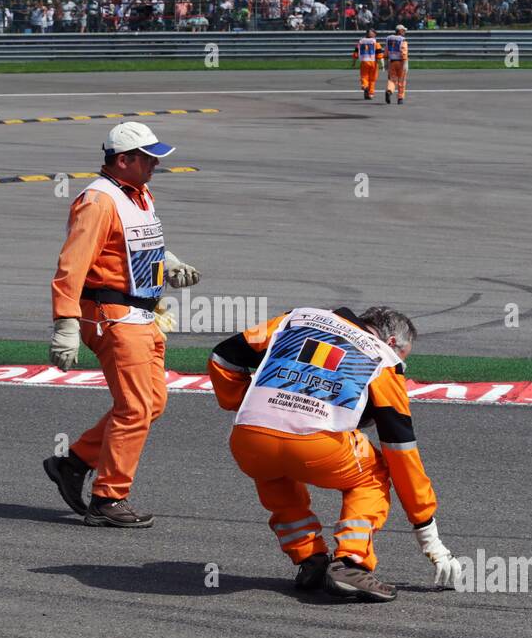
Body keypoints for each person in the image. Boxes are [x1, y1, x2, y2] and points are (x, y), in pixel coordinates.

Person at [208, 305, 463, 602]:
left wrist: (242, 401)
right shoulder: (383, 358)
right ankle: (351, 561)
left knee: (272, 471)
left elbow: (224, 356)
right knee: (374, 472)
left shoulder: (296, 318)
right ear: (391, 342)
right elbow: (401, 452)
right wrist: (429, 537)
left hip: (249, 438)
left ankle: (310, 559)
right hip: (316, 445)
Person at [44, 122, 201, 528]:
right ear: (123, 160)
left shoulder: (139, 192)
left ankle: (74, 462)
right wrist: (65, 322)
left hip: (143, 314)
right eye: (148, 158)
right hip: (111, 317)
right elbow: (71, 265)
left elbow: (140, 243)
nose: (155, 165)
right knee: (134, 408)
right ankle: (108, 499)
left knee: (152, 404)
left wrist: (171, 262)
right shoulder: (97, 201)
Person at [350, 28, 384, 99]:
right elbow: (380, 55)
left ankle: (364, 86)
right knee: (372, 79)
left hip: (364, 62)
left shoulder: (360, 42)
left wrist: (353, 63)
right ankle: (371, 93)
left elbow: (355, 54)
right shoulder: (376, 43)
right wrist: (382, 65)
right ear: (374, 34)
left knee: (364, 76)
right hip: (373, 62)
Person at [384, 23, 409, 104]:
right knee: (401, 81)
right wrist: (405, 63)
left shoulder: (389, 38)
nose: (404, 32)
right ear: (400, 31)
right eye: (403, 31)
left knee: (392, 79)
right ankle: (400, 98)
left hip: (392, 62)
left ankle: (389, 90)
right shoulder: (402, 39)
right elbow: (404, 52)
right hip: (401, 62)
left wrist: (386, 63)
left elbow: (386, 52)